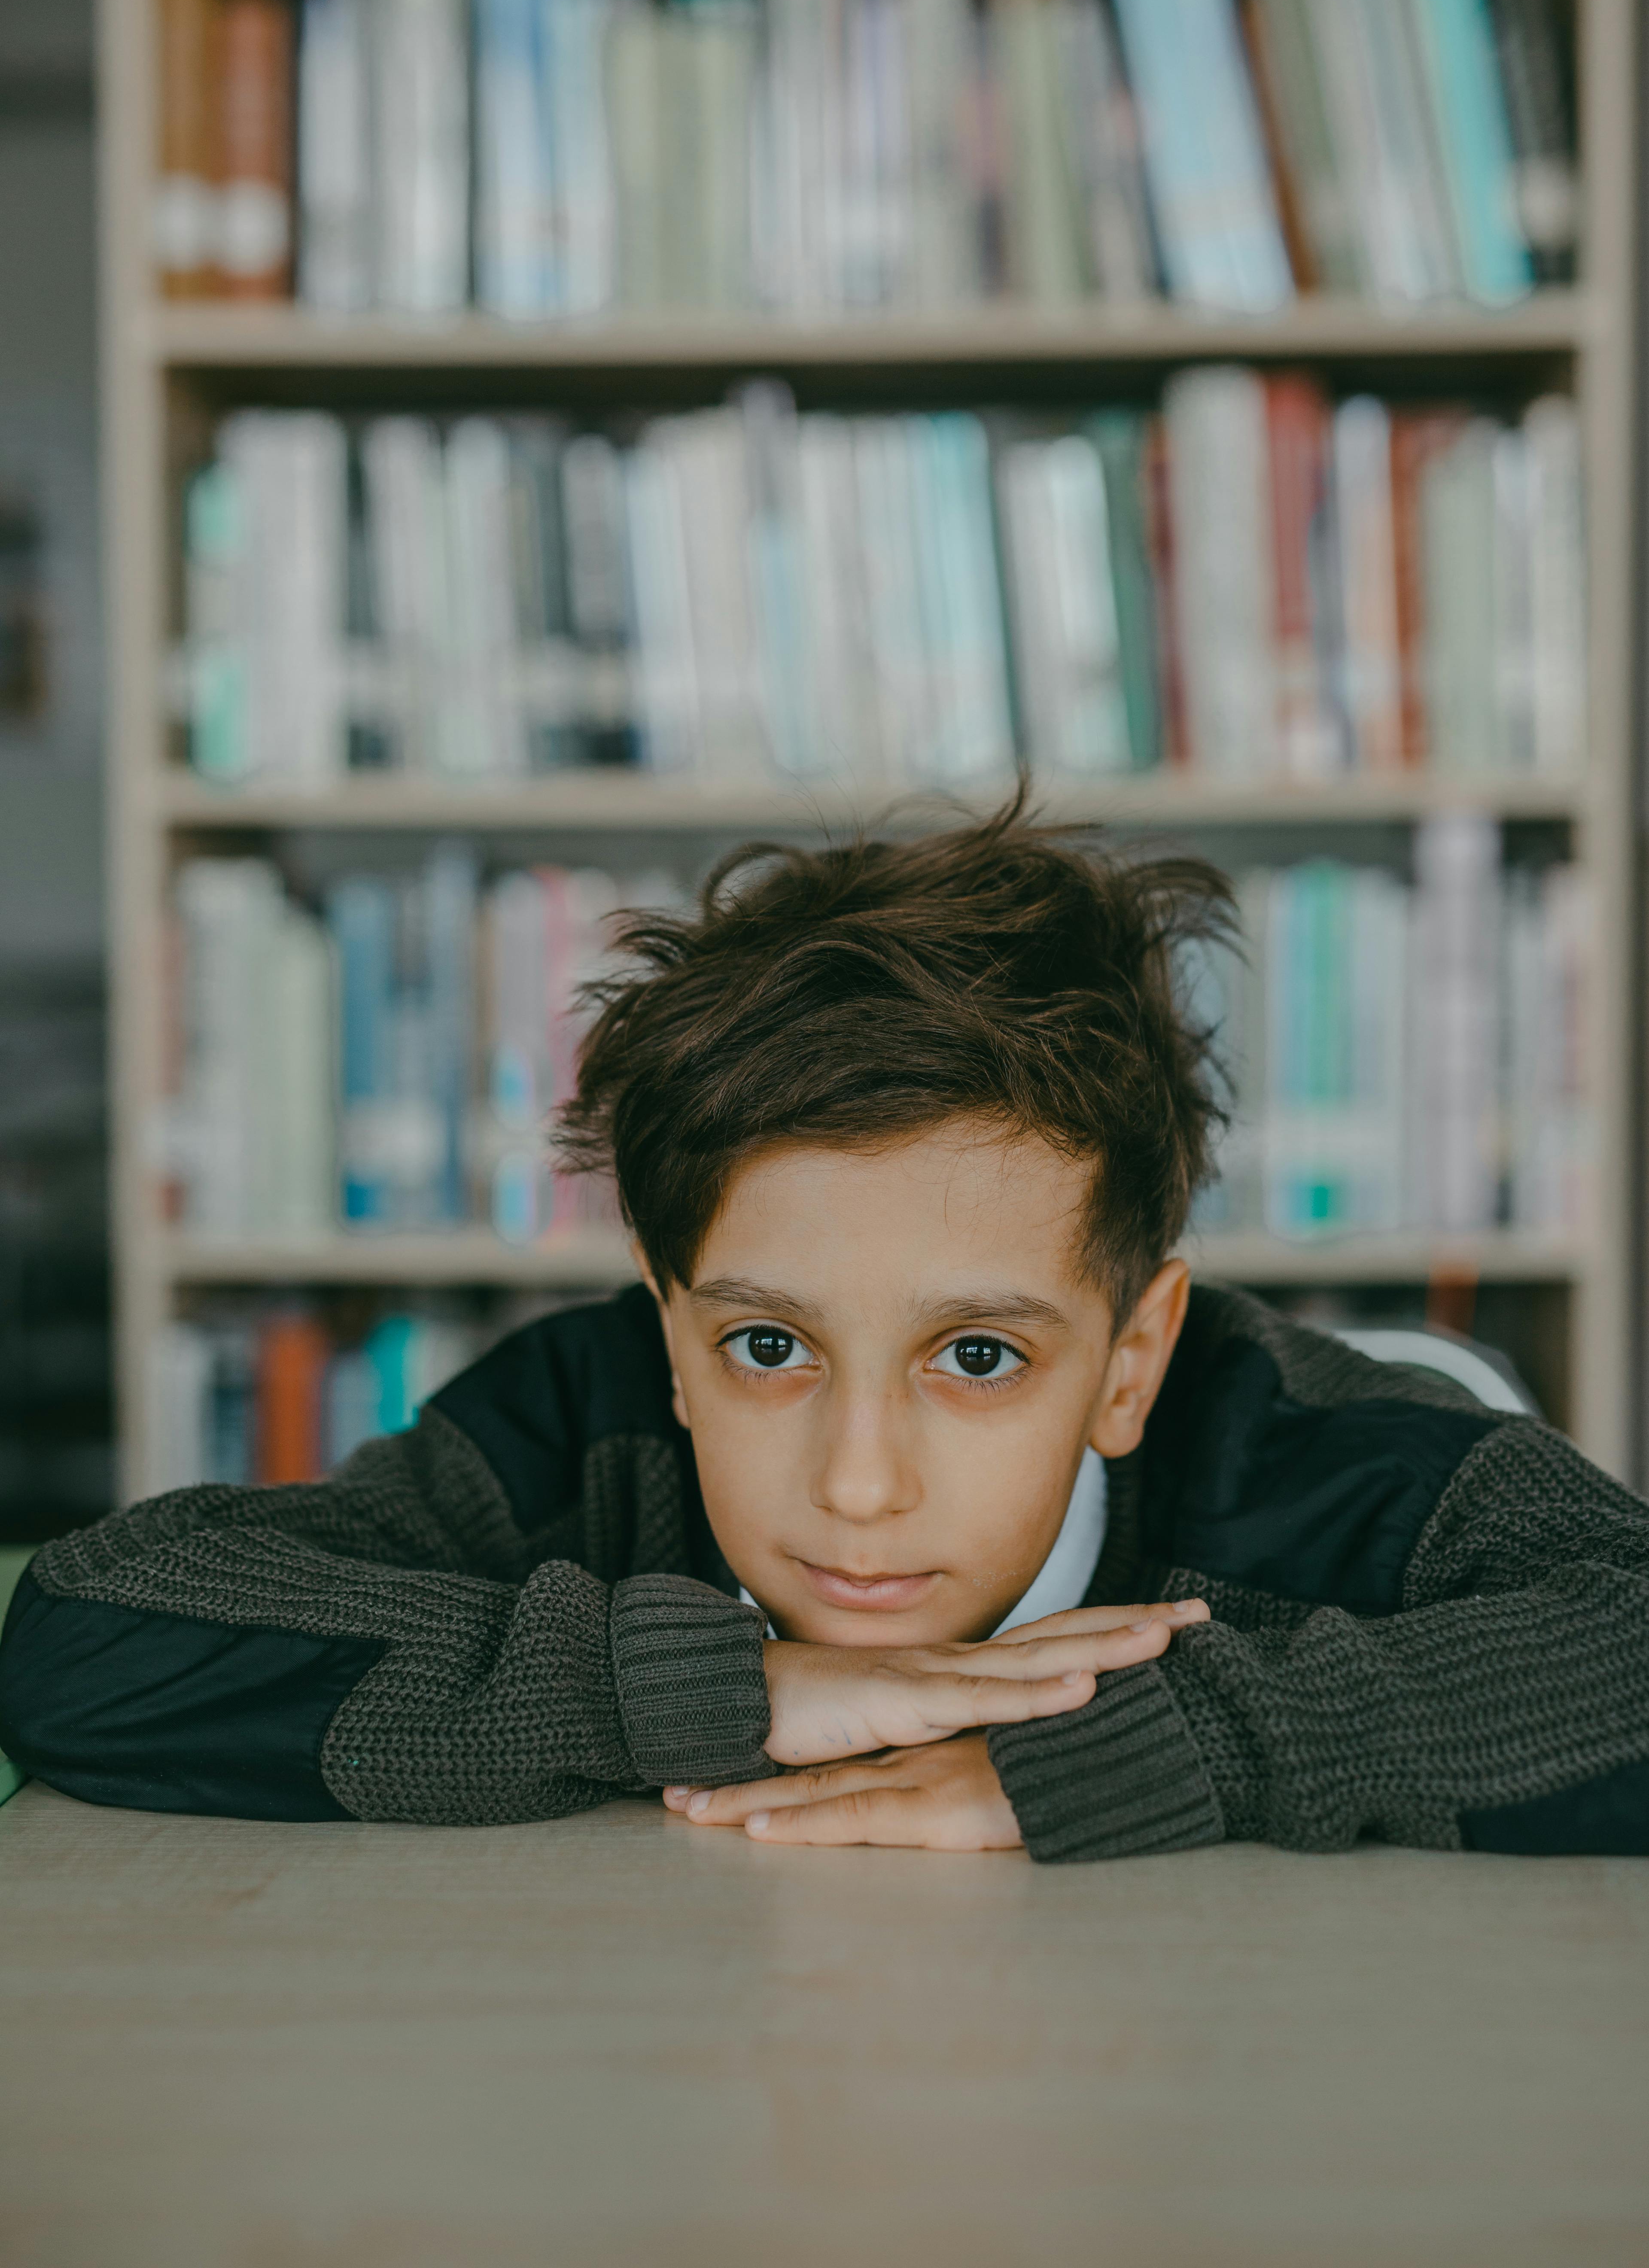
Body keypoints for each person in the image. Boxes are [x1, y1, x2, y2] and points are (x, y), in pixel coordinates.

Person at [3, 797, 1646, 1860]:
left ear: (1131, 1359)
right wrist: (743, 1691)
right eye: (769, 1349)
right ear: (669, 1325)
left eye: (980, 1357)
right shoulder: (584, 1426)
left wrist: (1164, 1747)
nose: (859, 1488)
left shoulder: (1312, 1465)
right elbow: (94, 1634)